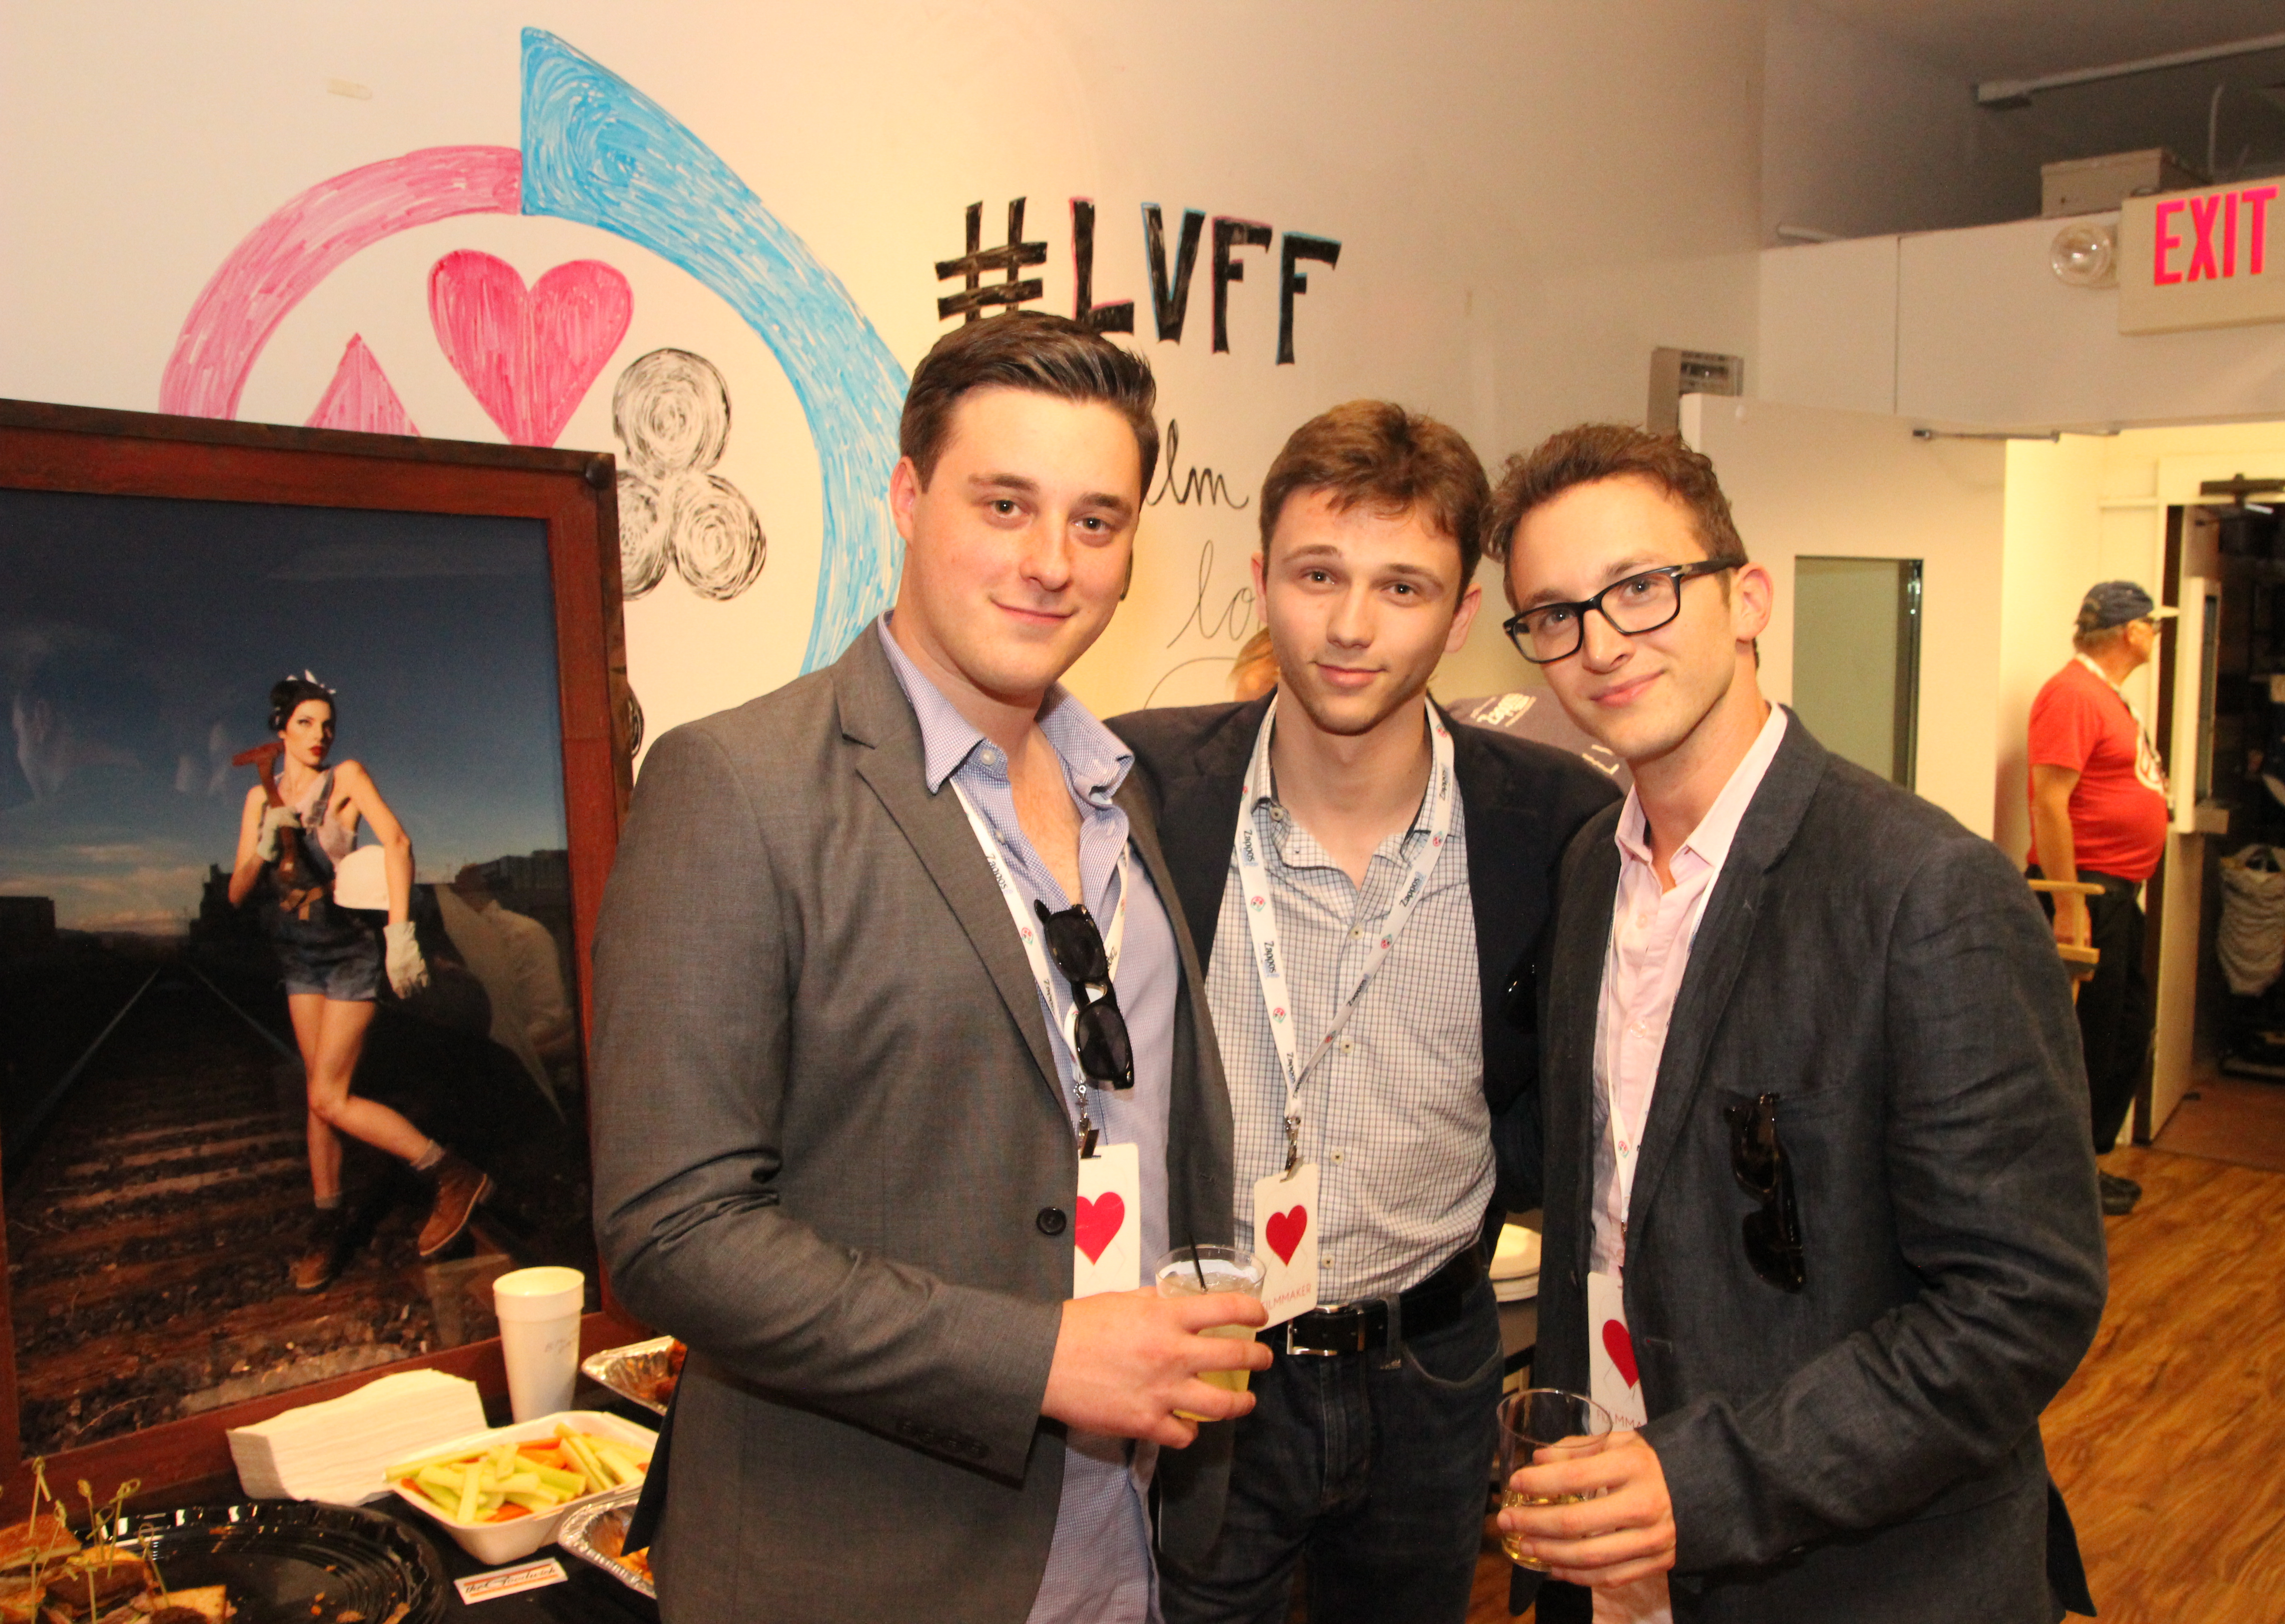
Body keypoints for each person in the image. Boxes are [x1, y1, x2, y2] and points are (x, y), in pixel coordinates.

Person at [589, 312, 1268, 1623]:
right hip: (866, 1560)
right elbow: (674, 1235)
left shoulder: (1128, 795)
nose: (1048, 563)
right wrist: (1042, 1358)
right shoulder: (737, 787)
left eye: (1096, 520)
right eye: (1004, 503)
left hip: (1127, 1535)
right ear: (907, 498)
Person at [1484, 425, 2107, 1623]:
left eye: (1643, 588)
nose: (1602, 642)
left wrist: (1705, 1482)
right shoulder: (1586, 873)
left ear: (1748, 596)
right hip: (1603, 1544)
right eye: (1555, 613)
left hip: (1856, 1575)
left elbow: (2019, 1302)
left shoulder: (1920, 888)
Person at [1111, 401, 1619, 1624]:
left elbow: (1572, 1082)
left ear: (1460, 608)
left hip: (1430, 1371)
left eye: (1403, 586)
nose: (1349, 626)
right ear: (1260, 579)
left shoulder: (1551, 822)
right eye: (1318, 575)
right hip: (1205, 1369)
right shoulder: (1138, 789)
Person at [226, 674, 488, 1292]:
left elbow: (397, 843)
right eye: (305, 724)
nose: (320, 736)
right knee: (321, 1101)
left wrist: (400, 932)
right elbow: (238, 893)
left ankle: (450, 1172)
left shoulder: (346, 779)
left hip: (347, 952)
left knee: (327, 1096)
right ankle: (329, 1222)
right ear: (280, 730)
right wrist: (263, 849)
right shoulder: (258, 798)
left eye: (327, 725)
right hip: (299, 958)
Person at [2028, 582, 2172, 1218]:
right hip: (2087, 892)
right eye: (2152, 624)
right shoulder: (2072, 694)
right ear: (2127, 631)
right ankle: (2061, 1183)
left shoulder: (2104, 697)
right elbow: (2050, 800)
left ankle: (2084, 1169)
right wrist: (2067, 906)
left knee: (2125, 1031)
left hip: (2117, 894)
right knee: (2082, 1043)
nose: (2156, 635)